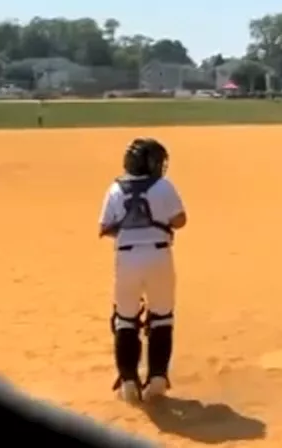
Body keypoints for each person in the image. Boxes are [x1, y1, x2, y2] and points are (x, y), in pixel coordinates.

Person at [99, 138, 187, 403]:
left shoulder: (114, 188)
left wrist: (130, 228)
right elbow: (181, 221)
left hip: (126, 259)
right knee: (162, 317)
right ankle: (158, 378)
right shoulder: (163, 186)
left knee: (125, 319)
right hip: (159, 255)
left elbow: (104, 227)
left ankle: (128, 380)